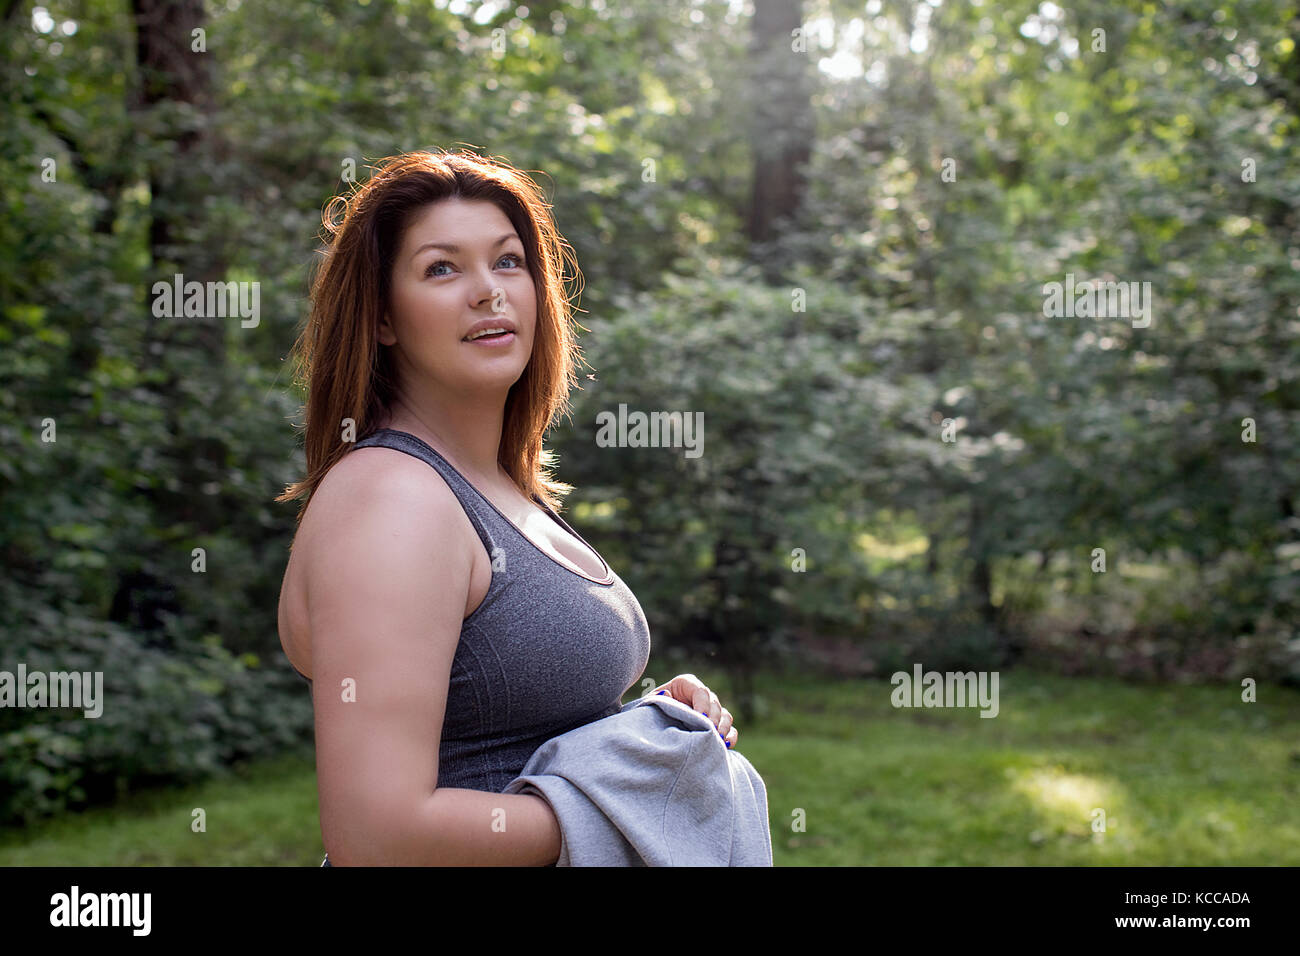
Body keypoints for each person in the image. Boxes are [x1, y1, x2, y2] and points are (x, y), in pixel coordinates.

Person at [274, 148, 738, 866]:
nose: (487, 291)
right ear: (384, 319)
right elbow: (376, 837)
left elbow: (523, 737)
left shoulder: (499, 486)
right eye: (441, 268)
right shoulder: (391, 499)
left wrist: (652, 732)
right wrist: (635, 802)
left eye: (509, 261)